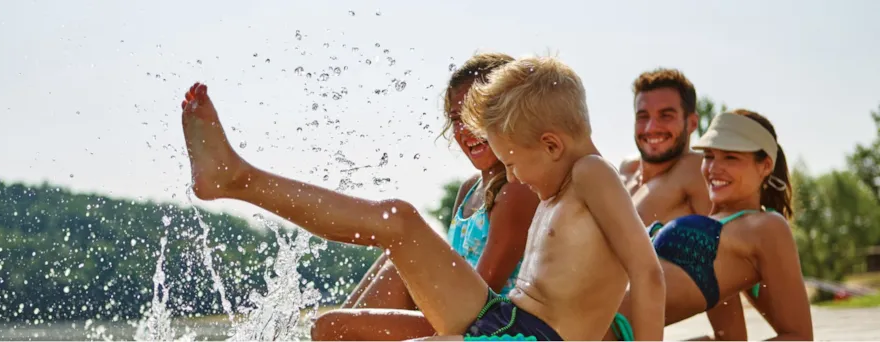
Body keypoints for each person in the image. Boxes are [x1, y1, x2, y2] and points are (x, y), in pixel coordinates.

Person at [179, 55, 666, 341]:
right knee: (400, 219)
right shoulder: (562, 181)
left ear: (552, 144)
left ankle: (235, 178)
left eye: (513, 163)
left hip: (530, 336)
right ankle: (234, 178)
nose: (513, 175)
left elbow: (646, 272)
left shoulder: (592, 174)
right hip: (500, 317)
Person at [310, 53, 539, 341]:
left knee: (333, 327)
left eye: (478, 115)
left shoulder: (517, 190)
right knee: (395, 259)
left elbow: (481, 302)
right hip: (458, 314)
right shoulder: (470, 189)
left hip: (490, 326)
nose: (466, 129)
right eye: (457, 118)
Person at [606, 110, 813, 341]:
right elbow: (729, 337)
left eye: (731, 158)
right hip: (580, 317)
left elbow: (799, 336)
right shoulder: (718, 227)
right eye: (710, 156)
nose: (714, 168)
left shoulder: (766, 227)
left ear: (765, 166)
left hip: (599, 327)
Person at [619, 68, 712, 233]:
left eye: (666, 116)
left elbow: (728, 245)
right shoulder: (627, 170)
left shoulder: (697, 170)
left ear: (691, 123)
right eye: (643, 116)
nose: (651, 127)